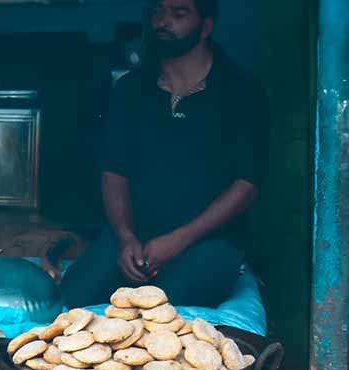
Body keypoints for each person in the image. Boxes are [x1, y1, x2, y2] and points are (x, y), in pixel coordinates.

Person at [60, 0, 269, 308]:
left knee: (164, 309)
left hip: (207, 240)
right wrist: (125, 236)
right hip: (138, 238)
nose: (163, 21)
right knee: (74, 295)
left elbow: (246, 185)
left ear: (206, 26)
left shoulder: (241, 90)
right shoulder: (131, 89)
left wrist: (179, 240)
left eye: (179, 13)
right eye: (157, 11)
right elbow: (113, 171)